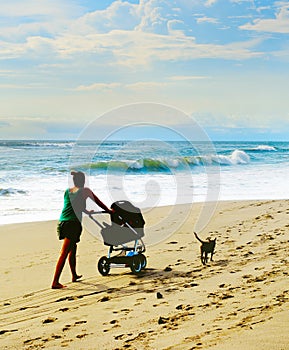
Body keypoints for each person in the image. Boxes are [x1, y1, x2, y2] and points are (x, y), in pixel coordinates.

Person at [51, 171, 112, 289]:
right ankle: (55, 282)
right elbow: (98, 202)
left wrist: (86, 211)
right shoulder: (85, 191)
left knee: (72, 249)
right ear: (83, 181)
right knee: (64, 253)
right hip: (72, 224)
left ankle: (74, 275)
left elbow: (75, 205)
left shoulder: (67, 191)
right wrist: (109, 211)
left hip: (62, 222)